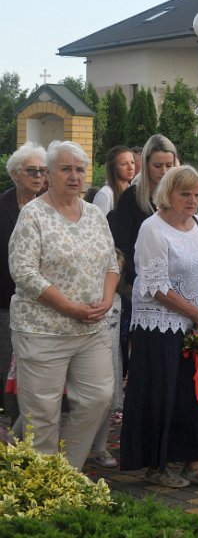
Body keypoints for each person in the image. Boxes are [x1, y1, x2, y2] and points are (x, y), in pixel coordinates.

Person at [8, 140, 118, 470]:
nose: (74, 176)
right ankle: (41, 485)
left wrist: (107, 299)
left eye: (80, 169)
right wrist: (69, 306)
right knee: (41, 411)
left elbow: (112, 263)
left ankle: (67, 471)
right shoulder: (33, 215)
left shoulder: (96, 214)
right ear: (50, 175)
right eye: (65, 168)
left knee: (98, 397)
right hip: (43, 330)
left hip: (91, 328)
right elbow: (24, 271)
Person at [119, 166, 198, 489]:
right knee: (162, 394)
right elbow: (156, 286)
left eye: (196, 194)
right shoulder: (152, 229)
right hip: (160, 327)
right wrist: (197, 315)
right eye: (185, 194)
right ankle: (157, 465)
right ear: (168, 194)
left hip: (196, 324)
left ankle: (195, 463)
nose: (193, 200)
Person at [109, 135, 178, 376]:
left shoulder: (180, 197)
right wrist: (140, 278)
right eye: (157, 165)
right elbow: (121, 246)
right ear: (146, 166)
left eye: (169, 165)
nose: (164, 171)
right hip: (144, 290)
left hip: (177, 287)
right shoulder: (133, 197)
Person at [0, 143, 47, 424]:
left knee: (34, 369)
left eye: (43, 170)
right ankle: (7, 424)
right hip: (5, 300)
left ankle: (27, 427)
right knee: (6, 362)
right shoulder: (2, 206)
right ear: (15, 174)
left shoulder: (48, 207)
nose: (39, 176)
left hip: (43, 303)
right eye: (32, 171)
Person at [89, 248, 126, 468]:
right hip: (89, 356)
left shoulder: (120, 300)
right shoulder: (89, 298)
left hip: (111, 359)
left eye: (119, 272)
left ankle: (100, 448)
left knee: (107, 404)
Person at [92, 146, 136, 216]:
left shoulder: (133, 191)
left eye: (132, 162)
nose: (130, 167)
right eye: (124, 164)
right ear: (113, 167)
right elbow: (99, 223)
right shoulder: (105, 194)